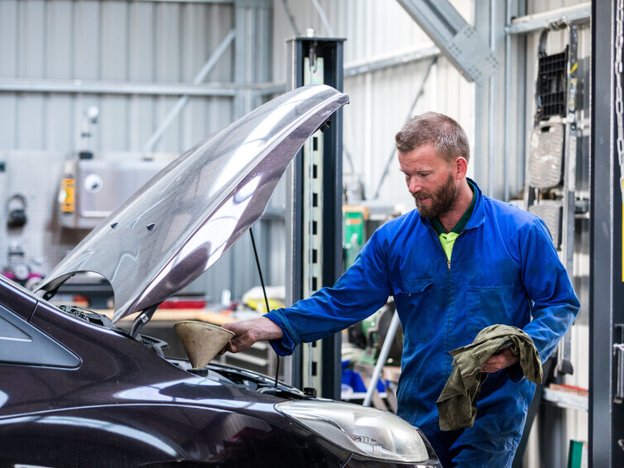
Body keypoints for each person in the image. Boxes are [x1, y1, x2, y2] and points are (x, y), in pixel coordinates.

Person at [222, 112, 579, 467]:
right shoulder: (393, 241)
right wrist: (268, 325)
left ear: (458, 167)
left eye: (423, 175)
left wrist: (520, 350)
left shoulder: (520, 232)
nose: (412, 187)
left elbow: (559, 304)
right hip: (421, 407)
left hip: (491, 411)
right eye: (406, 175)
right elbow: (343, 301)